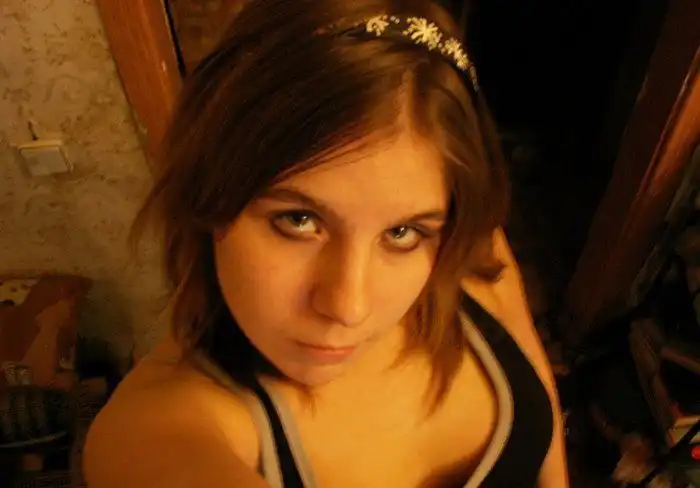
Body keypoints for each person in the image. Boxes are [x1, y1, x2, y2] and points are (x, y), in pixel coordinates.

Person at [83, 0, 569, 486]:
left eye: (401, 233)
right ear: (208, 190)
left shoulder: (467, 242)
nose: (348, 308)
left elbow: (532, 371)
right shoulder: (157, 428)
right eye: (298, 220)